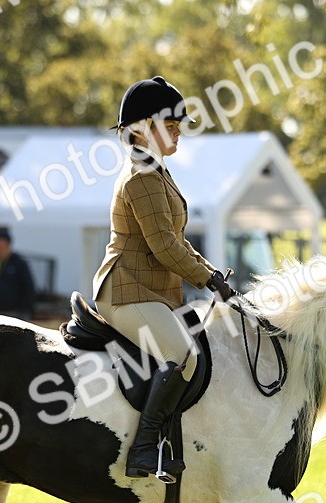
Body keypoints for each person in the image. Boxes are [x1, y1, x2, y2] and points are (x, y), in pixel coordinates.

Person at [92, 75, 235, 480]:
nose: (177, 132)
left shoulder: (157, 172)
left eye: (177, 125)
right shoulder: (142, 178)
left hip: (150, 291)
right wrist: (209, 282)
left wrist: (211, 275)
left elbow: (177, 240)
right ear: (142, 128)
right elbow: (164, 249)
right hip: (126, 291)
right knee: (183, 355)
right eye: (169, 124)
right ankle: (143, 450)